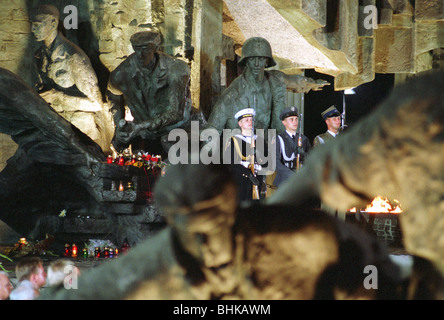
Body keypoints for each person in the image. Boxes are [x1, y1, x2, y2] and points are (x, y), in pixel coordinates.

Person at [206, 37, 329, 136]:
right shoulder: (231, 95)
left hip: (266, 150)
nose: (257, 63)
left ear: (267, 61)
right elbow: (212, 131)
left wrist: (312, 83)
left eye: (261, 58)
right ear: (246, 61)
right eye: (252, 58)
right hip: (239, 154)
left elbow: (295, 81)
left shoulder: (274, 81)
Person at [30, 4, 113, 152]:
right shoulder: (39, 55)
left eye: (37, 25)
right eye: (32, 25)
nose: (32, 30)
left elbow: (96, 104)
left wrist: (59, 98)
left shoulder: (73, 56)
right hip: (55, 126)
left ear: (53, 23)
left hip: (81, 132)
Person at [106, 30, 192, 157]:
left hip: (175, 132)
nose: (140, 55)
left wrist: (139, 126)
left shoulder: (176, 68)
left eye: (146, 49)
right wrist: (119, 125)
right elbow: (113, 95)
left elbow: (176, 113)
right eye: (137, 49)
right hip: (145, 135)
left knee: (178, 171)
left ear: (156, 48)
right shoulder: (121, 73)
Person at [224, 108, 267, 202]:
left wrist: (259, 164)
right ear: (240, 124)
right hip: (241, 179)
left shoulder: (259, 140)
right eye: (246, 120)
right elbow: (230, 162)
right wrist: (248, 173)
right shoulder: (234, 140)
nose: (250, 122)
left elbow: (266, 161)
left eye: (251, 119)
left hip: (257, 178)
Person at [273, 106, 311, 187]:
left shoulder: (303, 139)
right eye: (291, 119)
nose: (295, 122)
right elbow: (275, 162)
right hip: (285, 178)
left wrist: (303, 154)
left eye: (296, 119)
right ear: (284, 122)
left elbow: (312, 159)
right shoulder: (279, 138)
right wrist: (290, 174)